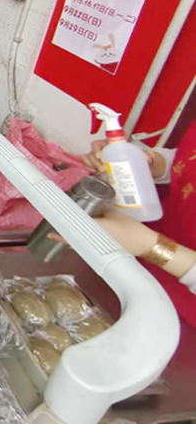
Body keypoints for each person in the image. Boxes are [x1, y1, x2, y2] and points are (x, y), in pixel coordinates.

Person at [82, 120, 196, 326]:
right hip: (139, 265)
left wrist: (151, 246)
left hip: (183, 314)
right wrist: (150, 163)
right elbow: (186, 160)